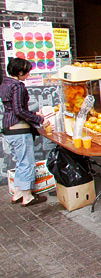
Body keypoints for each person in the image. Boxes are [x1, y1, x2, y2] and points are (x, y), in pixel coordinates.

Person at [0, 58, 50, 206]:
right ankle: (27, 197)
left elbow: (14, 109)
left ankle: (17, 194)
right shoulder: (18, 86)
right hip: (19, 130)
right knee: (27, 163)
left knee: (20, 162)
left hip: (8, 128)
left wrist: (35, 114)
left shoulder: (5, 84)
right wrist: (39, 120)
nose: (28, 75)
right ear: (20, 72)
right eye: (27, 72)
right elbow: (19, 110)